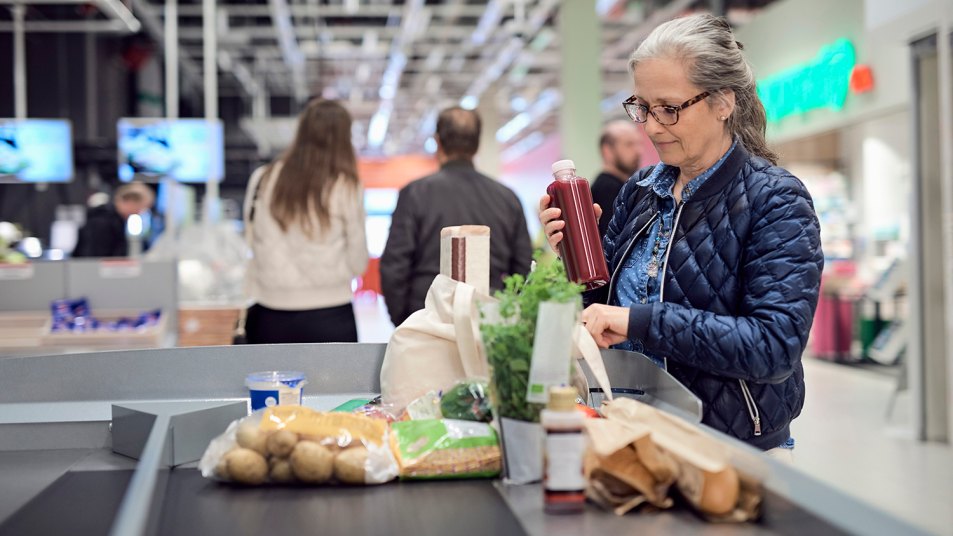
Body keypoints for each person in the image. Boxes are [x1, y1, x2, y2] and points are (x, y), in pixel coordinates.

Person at [539, 14, 823, 460]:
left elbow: (775, 347)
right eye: (642, 108)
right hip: (629, 433)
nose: (650, 127)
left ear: (724, 102)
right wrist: (571, 256)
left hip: (729, 452)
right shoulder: (640, 191)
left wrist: (644, 322)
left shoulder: (776, 199)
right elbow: (598, 310)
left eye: (669, 109)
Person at [381, 107, 534, 326]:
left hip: (427, 319)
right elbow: (523, 269)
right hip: (490, 323)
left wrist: (405, 320)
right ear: (477, 144)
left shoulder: (414, 194)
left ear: (437, 142)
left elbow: (395, 266)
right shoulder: (507, 199)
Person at [243, 98, 368, 344]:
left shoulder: (262, 179)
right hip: (331, 313)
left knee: (268, 383)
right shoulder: (346, 186)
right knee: (337, 383)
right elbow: (358, 261)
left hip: (270, 312)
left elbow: (250, 240)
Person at [590, 120, 643, 237]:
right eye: (629, 144)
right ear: (607, 151)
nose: (638, 151)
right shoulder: (607, 189)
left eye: (639, 144)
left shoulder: (622, 186)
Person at [73, 182, 154, 258]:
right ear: (130, 202)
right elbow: (97, 258)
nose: (139, 212)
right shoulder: (103, 221)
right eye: (141, 208)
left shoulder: (116, 221)